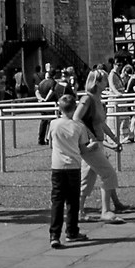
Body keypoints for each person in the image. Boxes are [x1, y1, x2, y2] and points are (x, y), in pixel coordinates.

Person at [75, 69, 124, 219]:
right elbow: (77, 118)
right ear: (97, 82)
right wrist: (90, 137)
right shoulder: (87, 99)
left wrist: (113, 138)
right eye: (104, 79)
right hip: (91, 145)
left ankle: (78, 211)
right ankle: (105, 211)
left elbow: (100, 123)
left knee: (87, 179)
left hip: (97, 142)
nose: (107, 82)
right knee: (108, 174)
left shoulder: (97, 99)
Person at [47, 93, 85, 248]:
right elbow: (83, 147)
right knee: (72, 200)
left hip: (57, 165)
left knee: (57, 200)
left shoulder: (53, 124)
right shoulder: (78, 126)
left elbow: (50, 143)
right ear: (74, 108)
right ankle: (72, 231)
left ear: (59, 108)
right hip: (74, 165)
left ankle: (54, 234)